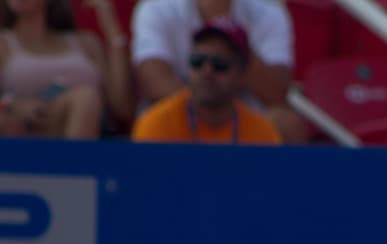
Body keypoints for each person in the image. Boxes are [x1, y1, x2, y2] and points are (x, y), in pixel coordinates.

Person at [131, 0, 308, 142]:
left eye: (219, 64)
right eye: (197, 62)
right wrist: (207, 107)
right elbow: (152, 80)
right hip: (183, 114)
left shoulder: (269, 12)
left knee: (286, 123)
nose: (207, 71)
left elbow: (277, 93)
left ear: (243, 71)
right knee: (154, 121)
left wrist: (223, 18)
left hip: (242, 117)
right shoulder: (155, 7)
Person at [0, 0, 133, 139]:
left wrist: (112, 33)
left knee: (86, 98)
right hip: (28, 126)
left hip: (85, 121)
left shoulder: (86, 43)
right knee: (84, 98)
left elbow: (121, 107)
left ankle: (77, 172)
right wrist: (10, 104)